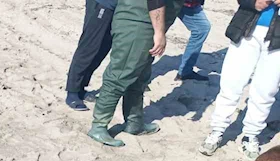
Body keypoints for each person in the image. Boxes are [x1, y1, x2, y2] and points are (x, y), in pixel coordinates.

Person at [199, 0, 280, 160]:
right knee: (231, 82)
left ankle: (251, 135)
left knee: (266, 89)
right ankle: (217, 130)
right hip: (246, 29)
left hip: (277, 39)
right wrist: (253, 3)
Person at [87, 0, 167, 146]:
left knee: (139, 77)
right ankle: (99, 126)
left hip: (147, 24)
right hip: (137, 24)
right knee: (120, 75)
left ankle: (134, 123)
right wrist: (159, 32)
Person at [65, 0, 117, 111]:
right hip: (102, 4)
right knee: (89, 47)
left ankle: (81, 88)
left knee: (103, 49)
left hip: (119, 8)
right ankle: (72, 91)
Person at [174, 0, 211, 81]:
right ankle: (139, 76)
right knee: (151, 31)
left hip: (190, 4)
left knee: (202, 28)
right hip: (166, 3)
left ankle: (185, 71)